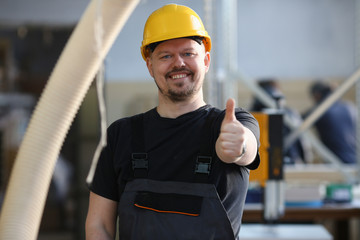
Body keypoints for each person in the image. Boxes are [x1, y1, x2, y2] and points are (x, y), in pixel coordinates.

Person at [85, 4, 260, 240]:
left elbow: (246, 148)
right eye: (166, 56)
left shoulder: (235, 124)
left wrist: (238, 147)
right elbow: (99, 226)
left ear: (206, 61)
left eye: (188, 53)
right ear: (150, 66)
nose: (178, 63)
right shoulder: (120, 135)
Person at [250, 79, 312, 164]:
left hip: (262, 165)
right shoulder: (290, 113)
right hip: (291, 162)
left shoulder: (251, 116)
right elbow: (303, 142)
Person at [307, 80, 357, 164]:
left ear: (317, 95)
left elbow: (296, 121)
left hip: (336, 163)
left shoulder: (320, 111)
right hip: (355, 160)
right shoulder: (350, 107)